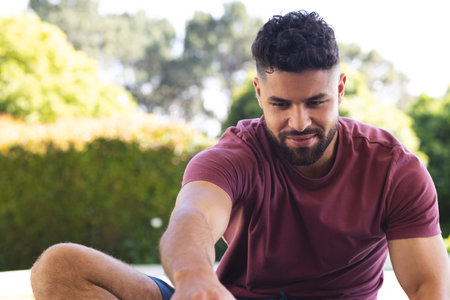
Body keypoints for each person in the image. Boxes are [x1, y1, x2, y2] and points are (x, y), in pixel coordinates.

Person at [30, 10, 450, 300]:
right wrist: (196, 280)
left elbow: (429, 286)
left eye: (316, 102)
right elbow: (191, 219)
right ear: (258, 93)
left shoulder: (393, 169)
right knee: (59, 266)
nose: (300, 122)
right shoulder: (235, 155)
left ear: (340, 89)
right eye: (281, 104)